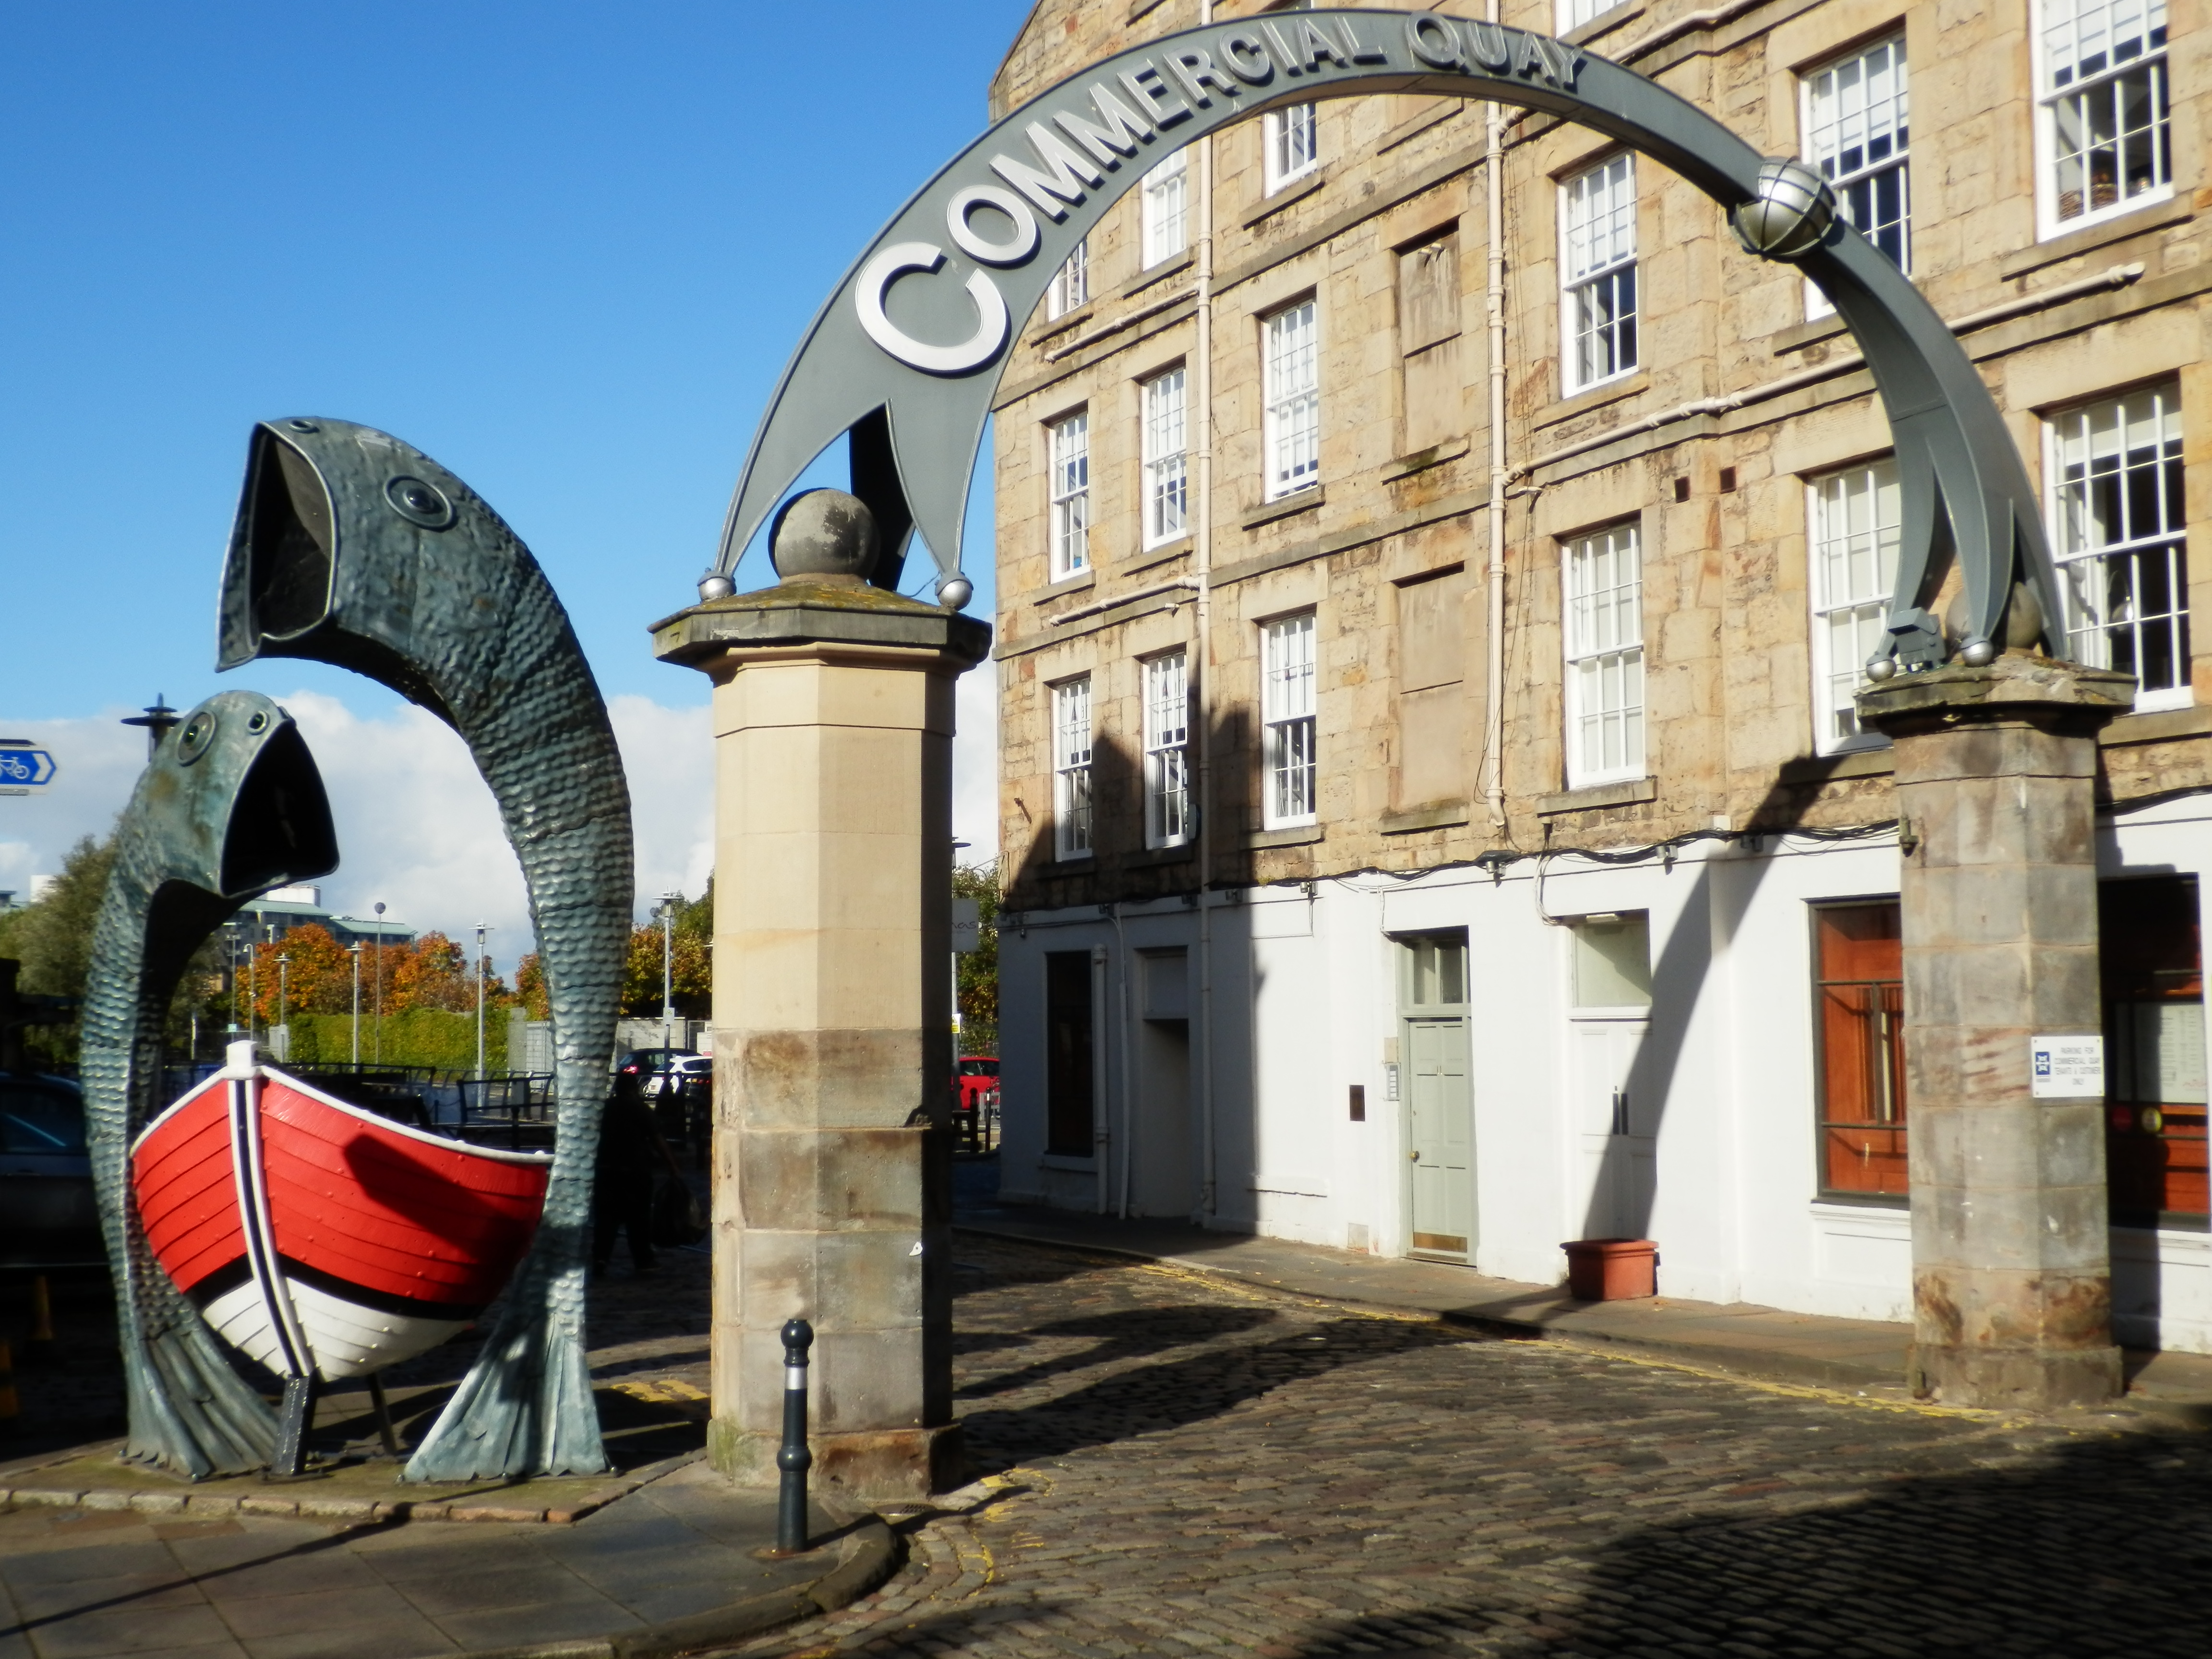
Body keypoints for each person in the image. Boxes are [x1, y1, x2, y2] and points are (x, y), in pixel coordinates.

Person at [593, 1067, 683, 1274]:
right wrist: (673, 1165)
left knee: (606, 1218)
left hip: (606, 1169)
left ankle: (600, 1258)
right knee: (638, 1218)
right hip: (635, 1170)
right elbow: (657, 1140)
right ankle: (643, 1260)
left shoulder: (604, 1109)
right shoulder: (640, 1109)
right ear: (635, 1090)